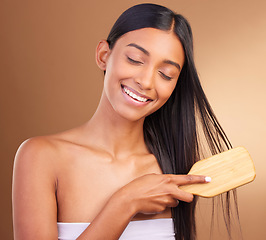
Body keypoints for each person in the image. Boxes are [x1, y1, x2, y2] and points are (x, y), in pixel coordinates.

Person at [12, 3, 237, 240]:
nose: (146, 81)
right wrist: (126, 202)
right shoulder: (41, 157)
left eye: (166, 74)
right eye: (135, 59)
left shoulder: (171, 170)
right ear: (103, 56)